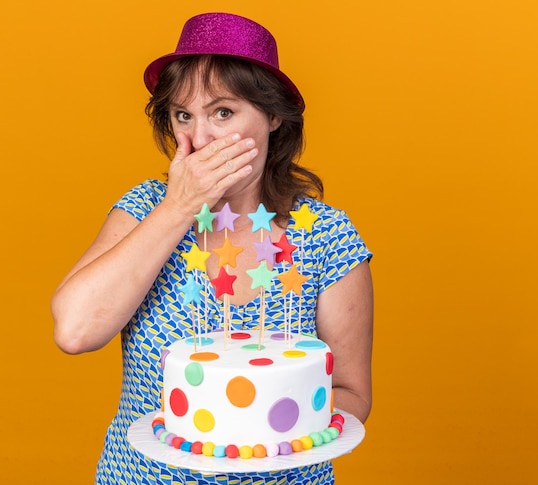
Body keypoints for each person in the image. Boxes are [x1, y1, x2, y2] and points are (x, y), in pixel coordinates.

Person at [52, 12, 373, 485]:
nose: (200, 139)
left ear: (273, 115)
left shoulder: (326, 236)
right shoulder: (145, 209)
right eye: (184, 115)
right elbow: (75, 331)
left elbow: (351, 393)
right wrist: (180, 207)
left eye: (223, 112)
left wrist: (252, 426)